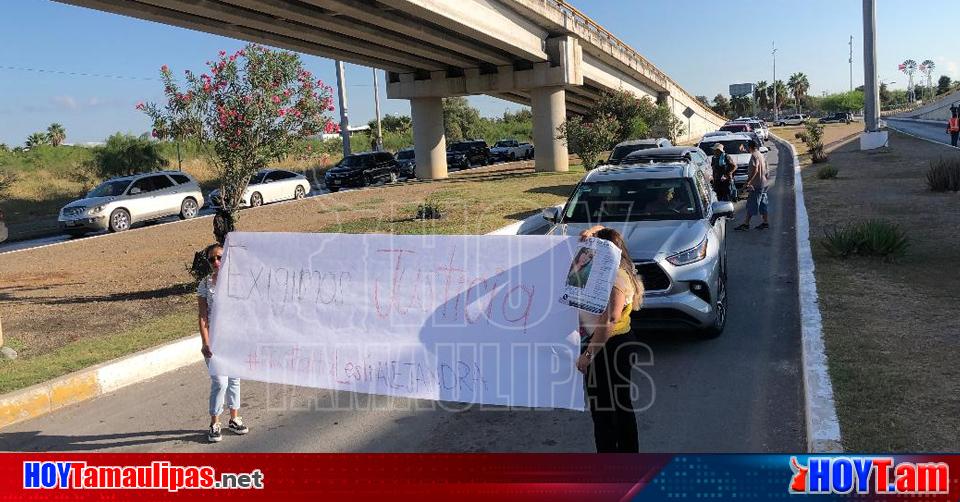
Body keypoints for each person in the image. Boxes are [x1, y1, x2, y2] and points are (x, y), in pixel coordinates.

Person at [576, 225, 645, 452]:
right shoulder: (622, 266)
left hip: (609, 347)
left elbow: (609, 320)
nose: (590, 253)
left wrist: (588, 355)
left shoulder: (614, 276)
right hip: (618, 343)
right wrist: (596, 231)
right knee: (619, 406)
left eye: (597, 248)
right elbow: (604, 230)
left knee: (605, 410)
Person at [197, 243, 250, 443]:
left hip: (234, 339)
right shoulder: (205, 284)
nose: (216, 262)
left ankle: (234, 419)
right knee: (220, 382)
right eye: (212, 259)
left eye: (219, 257)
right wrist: (206, 342)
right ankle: (214, 422)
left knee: (234, 379)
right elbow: (203, 316)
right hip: (215, 340)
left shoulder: (237, 282)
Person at [735, 141, 769, 231]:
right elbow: (766, 168)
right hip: (764, 183)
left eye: (747, 147)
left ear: (750, 147)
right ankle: (765, 223)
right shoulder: (760, 154)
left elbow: (755, 169)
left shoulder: (754, 155)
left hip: (756, 185)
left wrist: (748, 182)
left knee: (751, 204)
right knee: (763, 204)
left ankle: (746, 224)